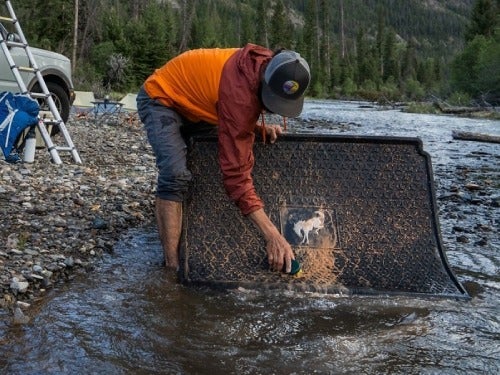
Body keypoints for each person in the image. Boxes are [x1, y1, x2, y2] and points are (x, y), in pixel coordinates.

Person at [136, 43, 310, 275]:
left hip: (200, 105)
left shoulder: (268, 64)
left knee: (207, 165)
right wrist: (273, 236)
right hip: (162, 98)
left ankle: (189, 232)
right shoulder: (240, 95)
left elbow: (233, 114)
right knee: (175, 175)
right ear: (266, 81)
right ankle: (172, 267)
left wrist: (256, 129)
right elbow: (236, 177)